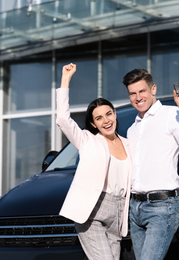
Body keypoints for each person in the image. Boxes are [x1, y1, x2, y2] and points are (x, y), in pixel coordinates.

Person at [122, 68, 179, 260]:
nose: (138, 97)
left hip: (162, 207)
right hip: (135, 208)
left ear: (153, 89)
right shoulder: (132, 128)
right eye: (132, 93)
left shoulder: (171, 114)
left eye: (142, 91)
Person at [56, 63, 131, 260]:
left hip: (119, 212)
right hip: (93, 211)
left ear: (114, 114)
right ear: (93, 123)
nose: (105, 120)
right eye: (99, 118)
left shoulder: (129, 145)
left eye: (108, 114)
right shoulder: (87, 140)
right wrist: (65, 80)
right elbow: (63, 120)